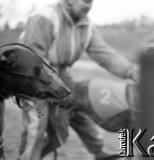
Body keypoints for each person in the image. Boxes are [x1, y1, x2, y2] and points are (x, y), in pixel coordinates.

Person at [18, 0, 139, 160]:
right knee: (37, 124)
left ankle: (98, 151)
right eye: (85, 1)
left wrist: (131, 71)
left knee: (76, 106)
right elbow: (33, 57)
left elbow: (104, 53)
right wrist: (56, 85)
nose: (88, 6)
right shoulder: (46, 16)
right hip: (32, 74)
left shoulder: (85, 25)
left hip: (58, 74)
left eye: (91, 1)